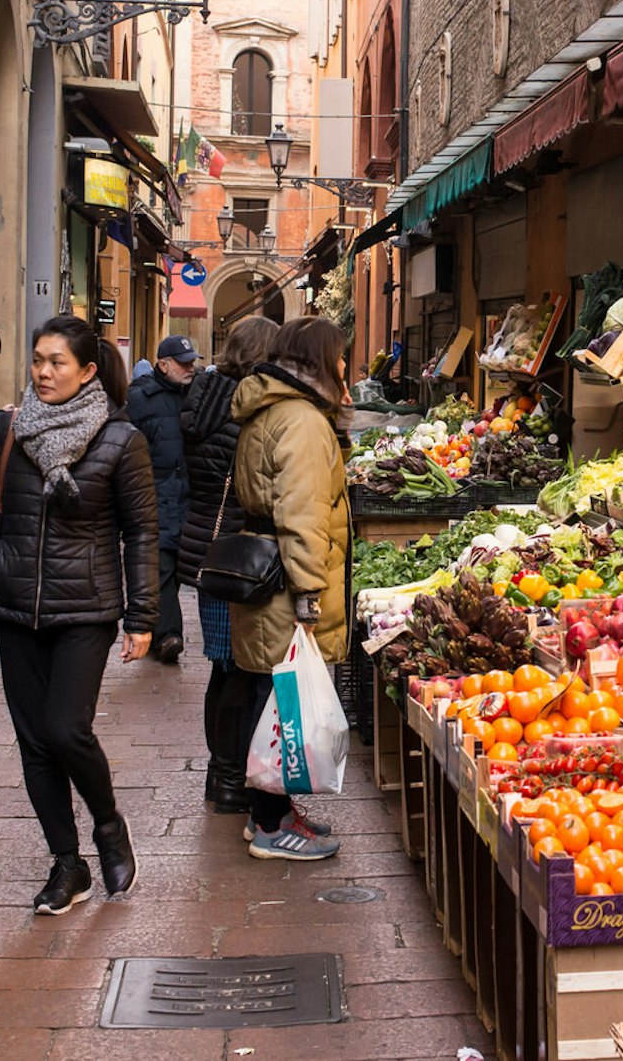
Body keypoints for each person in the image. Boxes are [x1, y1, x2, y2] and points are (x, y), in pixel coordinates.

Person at [0, 315, 157, 914]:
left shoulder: (121, 441)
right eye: (37, 360)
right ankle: (66, 863)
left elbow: (142, 531)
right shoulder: (8, 428)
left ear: (88, 371)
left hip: (87, 608)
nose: (43, 372)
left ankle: (107, 826)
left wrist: (143, 615)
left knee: (65, 729)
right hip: (16, 604)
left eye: (57, 363)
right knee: (34, 742)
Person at [229, 317, 351, 861]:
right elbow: (302, 516)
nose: (345, 366)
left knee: (270, 699)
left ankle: (272, 815)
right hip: (285, 585)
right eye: (340, 356)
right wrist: (310, 595)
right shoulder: (301, 421)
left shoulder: (275, 410)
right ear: (320, 360)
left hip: (267, 580)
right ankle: (271, 825)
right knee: (279, 705)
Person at [175, 315, 279, 815]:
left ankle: (222, 775)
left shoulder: (204, 395)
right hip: (237, 554)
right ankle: (230, 777)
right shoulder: (245, 410)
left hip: (204, 550)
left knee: (223, 669)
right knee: (236, 670)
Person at [126, 333, 199, 664]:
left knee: (180, 566)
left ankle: (160, 632)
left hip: (190, 496)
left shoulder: (196, 394)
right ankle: (170, 634)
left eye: (192, 362)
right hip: (157, 494)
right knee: (162, 566)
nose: (190, 368)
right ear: (163, 364)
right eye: (183, 364)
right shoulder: (141, 398)